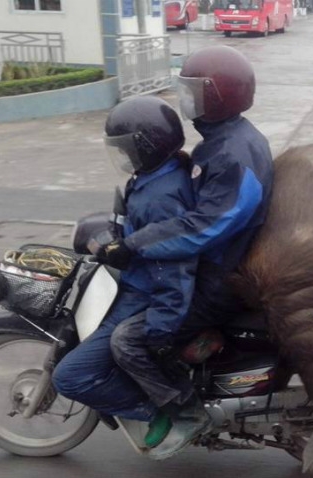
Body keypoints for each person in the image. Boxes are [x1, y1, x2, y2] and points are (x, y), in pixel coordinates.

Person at [94, 45, 274, 449]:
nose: (185, 99)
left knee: (128, 340)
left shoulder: (233, 153)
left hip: (217, 278)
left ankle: (184, 409)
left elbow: (207, 226)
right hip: (213, 266)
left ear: (217, 94)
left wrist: (135, 245)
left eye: (193, 91)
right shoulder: (223, 140)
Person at [51, 96, 198, 449]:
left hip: (142, 298)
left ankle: (160, 409)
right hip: (135, 288)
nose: (123, 155)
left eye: (127, 146)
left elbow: (174, 270)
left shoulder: (160, 198)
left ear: (147, 145)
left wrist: (159, 331)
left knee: (69, 378)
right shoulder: (156, 176)